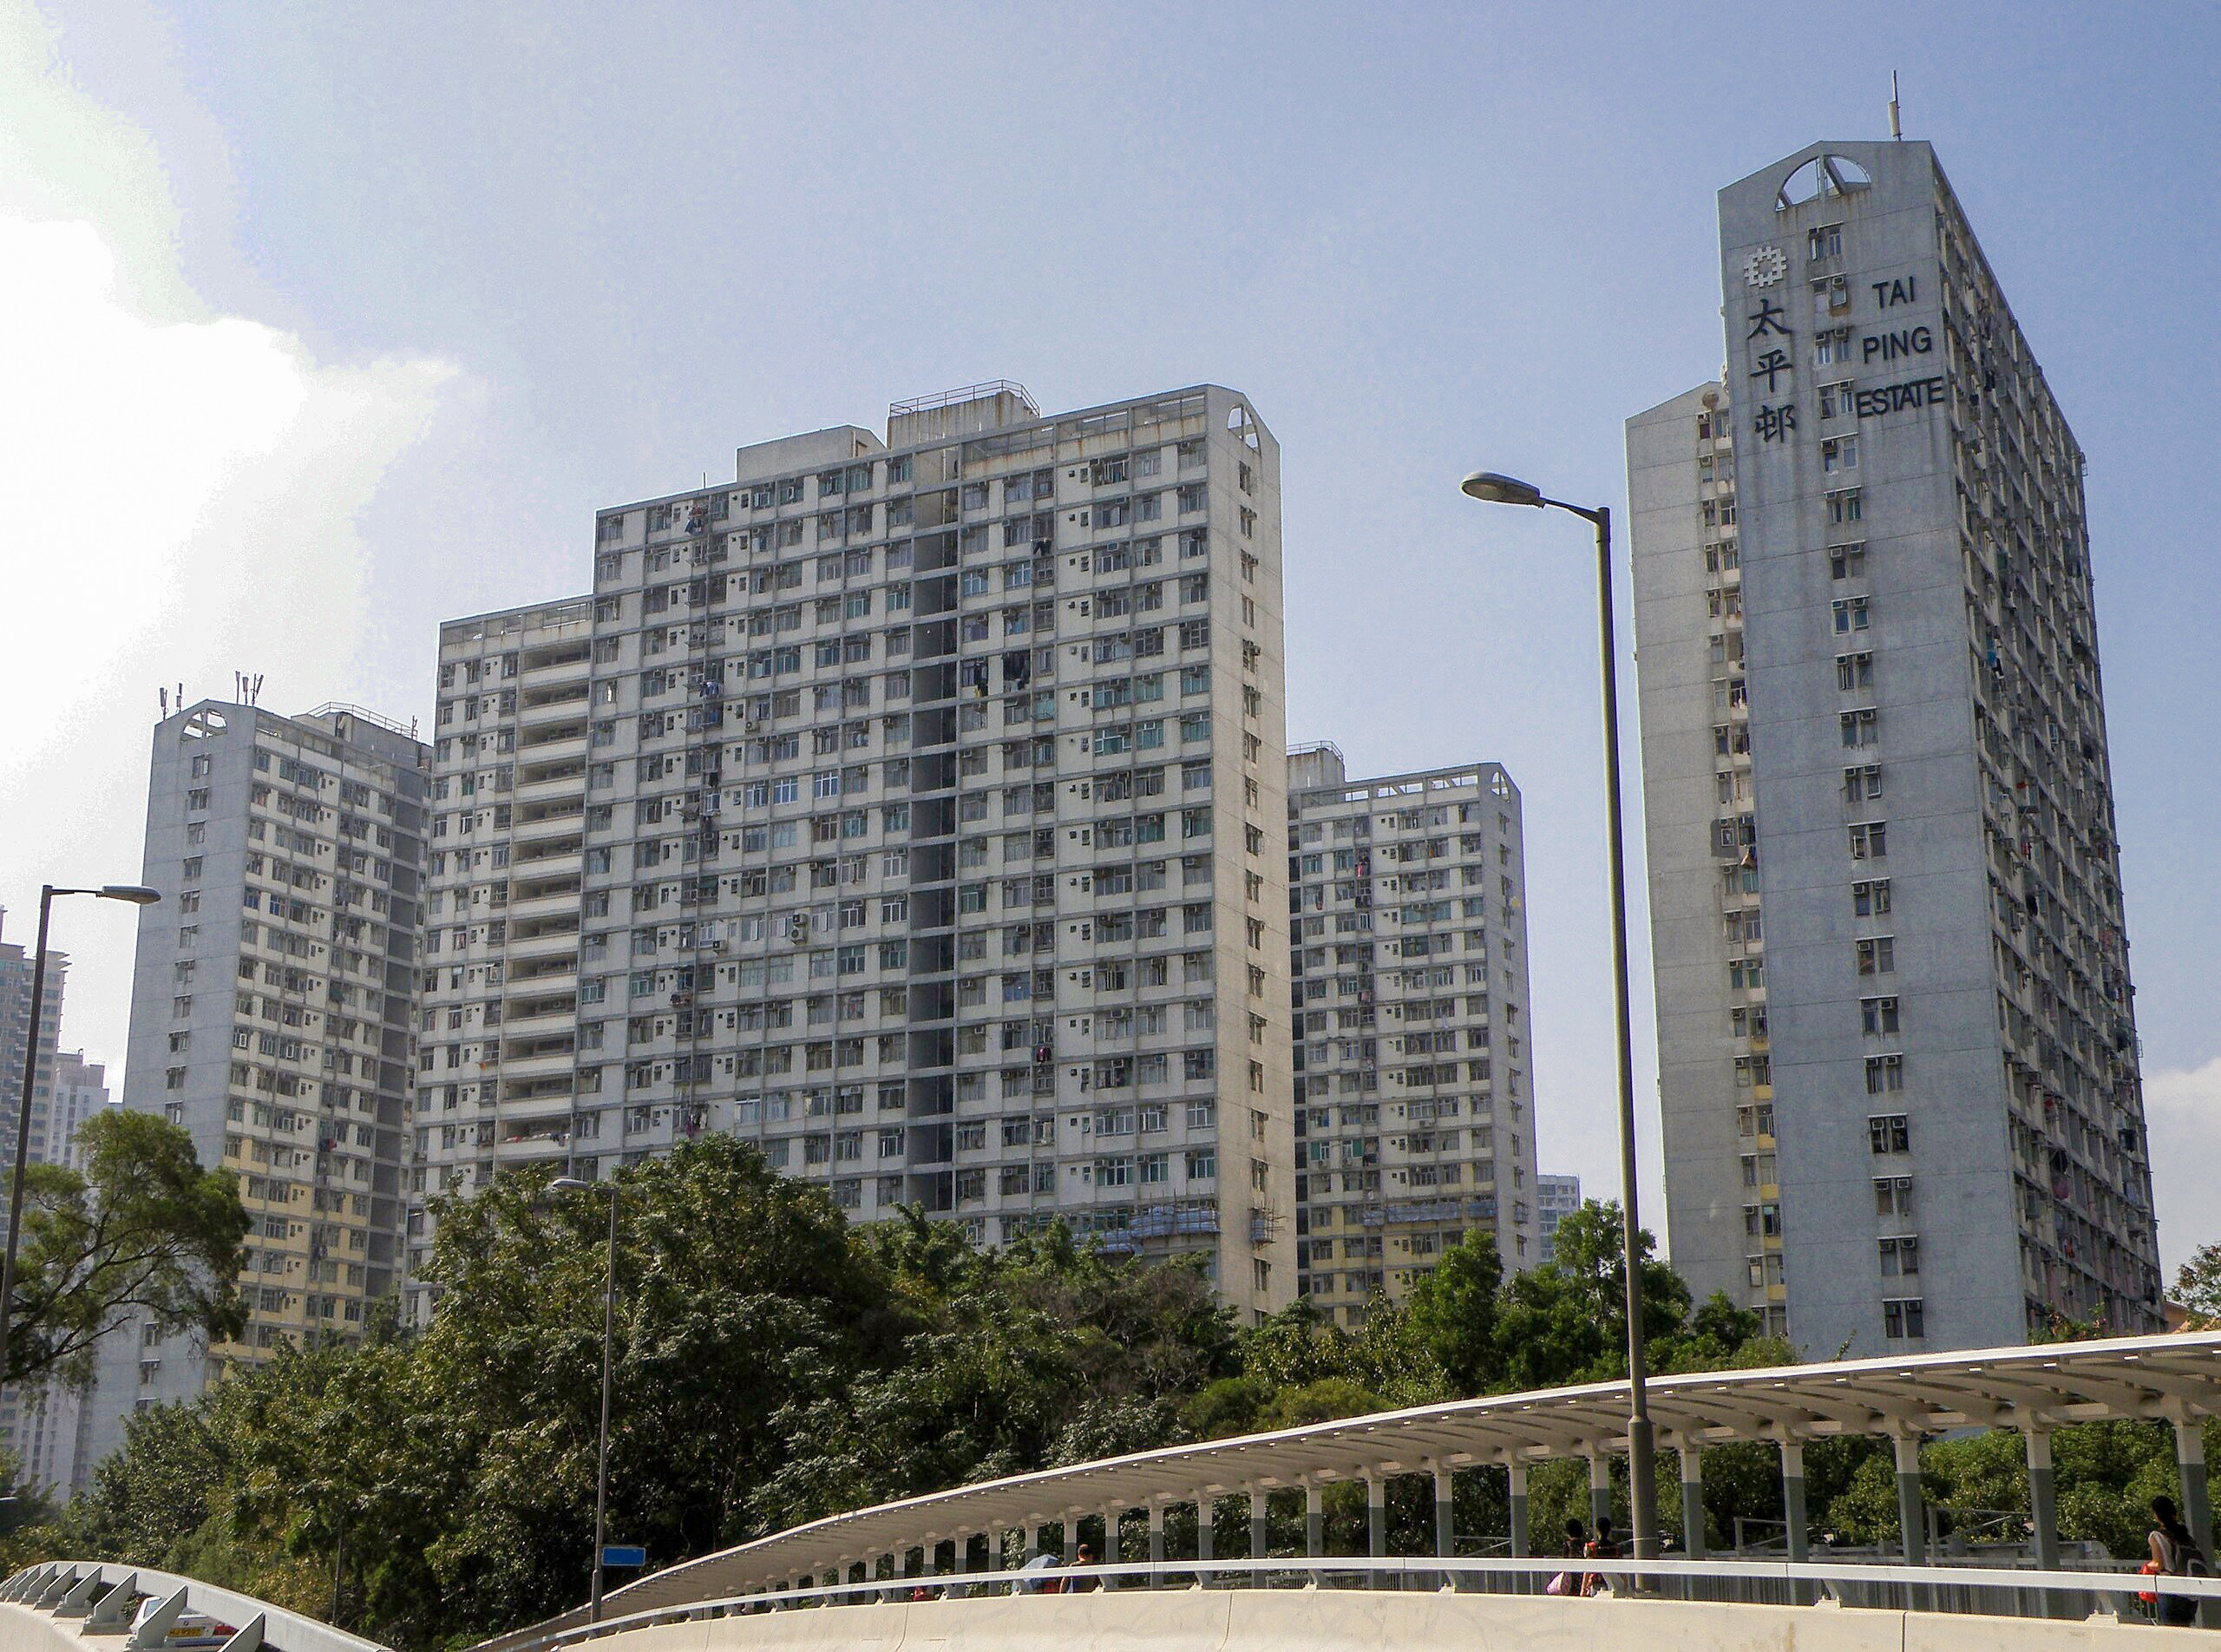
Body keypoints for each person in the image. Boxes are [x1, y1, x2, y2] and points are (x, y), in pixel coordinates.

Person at [2148, 1496, 2205, 1627]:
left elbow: (2158, 1564)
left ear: (2157, 1515)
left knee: (2171, 1636)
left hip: (2171, 1590)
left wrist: (2147, 1566)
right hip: (2190, 1594)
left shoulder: (2156, 1535)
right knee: (2185, 1632)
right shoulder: (2186, 1536)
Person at [1583, 1513, 1622, 1598]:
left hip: (1597, 1583)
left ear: (1597, 1530)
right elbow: (1621, 1569)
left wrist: (1583, 1589)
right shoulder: (1615, 1548)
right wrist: (1626, 1585)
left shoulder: (1592, 1547)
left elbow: (1587, 1570)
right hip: (1612, 1583)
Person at [1546, 1518, 1586, 1596]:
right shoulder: (1584, 1545)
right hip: (1583, 1578)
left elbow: (1564, 1561)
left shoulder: (1568, 1545)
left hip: (1571, 1579)